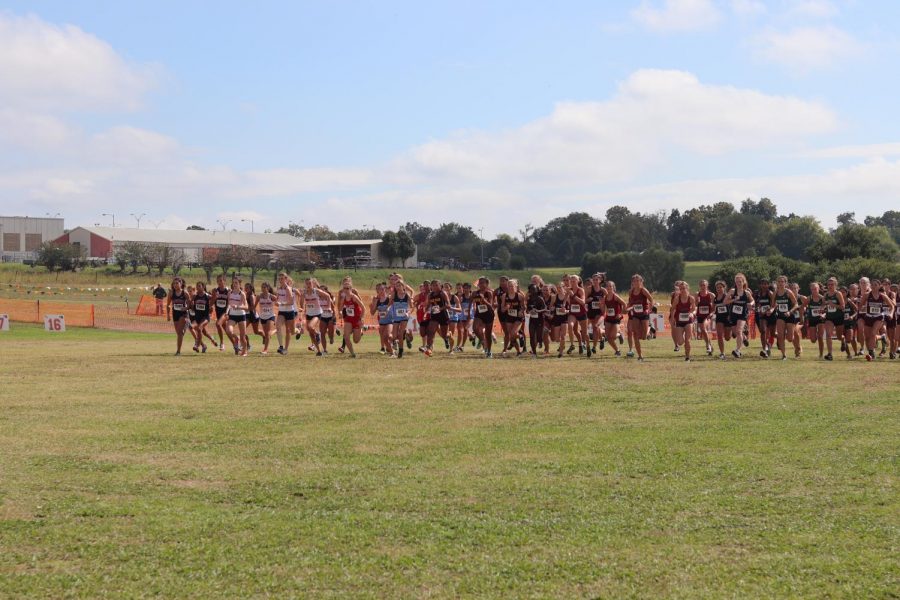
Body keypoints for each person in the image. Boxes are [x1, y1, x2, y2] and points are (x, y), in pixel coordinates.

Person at [859, 277, 895, 361]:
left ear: (879, 286)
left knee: (872, 333)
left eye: (875, 285)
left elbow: (892, 306)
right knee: (867, 337)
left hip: (879, 317)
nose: (873, 286)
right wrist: (862, 308)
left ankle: (871, 353)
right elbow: (860, 305)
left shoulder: (882, 296)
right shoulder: (867, 295)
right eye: (872, 285)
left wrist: (891, 313)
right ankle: (881, 338)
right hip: (868, 317)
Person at [725, 273, 754, 359]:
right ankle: (744, 338)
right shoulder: (732, 291)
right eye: (737, 282)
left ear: (743, 282)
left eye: (740, 282)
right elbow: (725, 301)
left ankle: (738, 350)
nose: (738, 283)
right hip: (733, 314)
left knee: (738, 330)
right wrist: (733, 299)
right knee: (736, 332)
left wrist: (750, 304)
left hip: (742, 314)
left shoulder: (747, 293)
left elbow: (753, 301)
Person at [772, 276, 799, 361]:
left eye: (782, 282)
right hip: (780, 316)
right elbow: (773, 305)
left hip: (790, 316)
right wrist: (771, 310)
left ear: (785, 283)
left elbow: (796, 304)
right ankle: (784, 355)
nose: (780, 283)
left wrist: (790, 312)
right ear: (777, 283)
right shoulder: (775, 293)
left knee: (790, 338)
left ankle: (797, 346)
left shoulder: (788, 292)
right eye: (779, 282)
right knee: (780, 336)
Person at [338, 277, 366, 358]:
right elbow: (340, 308)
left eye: (347, 288)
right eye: (344, 288)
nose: (346, 290)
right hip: (348, 319)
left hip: (357, 319)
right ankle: (352, 353)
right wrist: (340, 312)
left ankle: (360, 331)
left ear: (350, 289)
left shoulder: (354, 297)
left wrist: (361, 319)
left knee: (356, 340)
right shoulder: (343, 298)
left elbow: (364, 308)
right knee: (346, 336)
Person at [626, 274, 652, 361]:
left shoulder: (643, 290)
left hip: (644, 314)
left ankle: (649, 330)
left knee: (643, 337)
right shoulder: (631, 292)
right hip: (636, 315)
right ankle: (640, 355)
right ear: (632, 282)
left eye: (638, 281)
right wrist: (627, 308)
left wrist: (650, 309)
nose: (636, 282)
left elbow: (651, 299)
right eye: (634, 281)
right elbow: (630, 302)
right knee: (635, 334)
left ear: (641, 282)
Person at [275, 273, 301, 356]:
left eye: (282, 278)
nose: (280, 280)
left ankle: (298, 330)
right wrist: (276, 302)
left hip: (290, 312)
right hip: (282, 312)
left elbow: (291, 302)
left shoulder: (288, 289)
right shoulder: (279, 288)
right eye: (279, 279)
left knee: (291, 331)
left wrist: (281, 303)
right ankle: (282, 347)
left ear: (285, 279)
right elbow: (277, 299)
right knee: (278, 326)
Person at [423, 280, 451, 357]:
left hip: (443, 315)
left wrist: (440, 309)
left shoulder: (442, 293)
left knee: (444, 334)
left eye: (436, 285)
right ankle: (429, 349)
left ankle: (447, 337)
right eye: (433, 285)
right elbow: (428, 305)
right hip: (434, 315)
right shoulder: (430, 295)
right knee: (430, 332)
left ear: (440, 286)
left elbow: (448, 305)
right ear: (431, 287)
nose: (434, 287)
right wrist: (425, 312)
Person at [500, 279, 526, 357]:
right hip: (509, 317)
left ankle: (520, 336)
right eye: (509, 286)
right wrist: (506, 308)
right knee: (511, 336)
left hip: (518, 318)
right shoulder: (504, 296)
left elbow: (524, 307)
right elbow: (502, 309)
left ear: (516, 286)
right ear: (507, 287)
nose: (511, 287)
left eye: (512, 286)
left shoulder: (520, 296)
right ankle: (518, 351)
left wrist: (521, 311)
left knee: (513, 333)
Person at [672, 281, 697, 361]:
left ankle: (687, 357)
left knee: (687, 340)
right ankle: (682, 339)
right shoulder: (677, 299)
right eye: (681, 289)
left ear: (687, 288)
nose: (682, 290)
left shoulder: (691, 298)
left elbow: (694, 308)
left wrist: (692, 313)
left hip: (688, 321)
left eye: (684, 288)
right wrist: (672, 318)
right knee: (680, 342)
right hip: (679, 321)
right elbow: (672, 309)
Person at [822, 277, 845, 361]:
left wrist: (833, 305)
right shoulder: (826, 295)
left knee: (839, 337)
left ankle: (843, 340)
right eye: (828, 284)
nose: (830, 286)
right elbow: (824, 304)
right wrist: (822, 309)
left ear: (836, 285)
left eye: (832, 284)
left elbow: (843, 307)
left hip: (839, 317)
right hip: (829, 318)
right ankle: (830, 354)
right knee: (828, 335)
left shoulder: (838, 294)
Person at [471, 277, 495, 358]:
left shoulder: (489, 293)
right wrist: (468, 314)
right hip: (479, 314)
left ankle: (489, 351)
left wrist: (484, 300)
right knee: (475, 328)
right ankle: (482, 340)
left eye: (482, 282)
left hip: (488, 314)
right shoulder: (475, 293)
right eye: (479, 283)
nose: (480, 284)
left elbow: (491, 306)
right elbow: (470, 302)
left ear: (487, 284)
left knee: (488, 334)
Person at [190, 281, 217, 353]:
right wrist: (188, 306)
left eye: (199, 286)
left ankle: (197, 345)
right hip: (197, 318)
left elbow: (214, 300)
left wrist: (211, 306)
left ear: (203, 287)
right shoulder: (195, 296)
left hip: (205, 317)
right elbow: (190, 304)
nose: (197, 287)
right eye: (197, 286)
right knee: (201, 331)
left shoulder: (207, 296)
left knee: (199, 329)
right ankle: (211, 340)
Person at [600, 280, 625, 357]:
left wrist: (620, 314)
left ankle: (619, 334)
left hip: (616, 319)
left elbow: (624, 304)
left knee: (613, 336)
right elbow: (603, 310)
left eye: (610, 286)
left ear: (613, 287)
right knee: (608, 337)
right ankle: (617, 351)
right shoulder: (605, 298)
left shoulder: (616, 296)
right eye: (607, 286)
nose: (609, 287)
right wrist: (601, 305)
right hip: (608, 319)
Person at [226, 276, 249, 356]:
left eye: (236, 283)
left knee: (243, 336)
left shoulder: (242, 294)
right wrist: (226, 312)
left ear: (239, 284)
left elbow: (246, 307)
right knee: (228, 331)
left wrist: (238, 307)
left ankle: (245, 351)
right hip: (232, 315)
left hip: (241, 316)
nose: (234, 284)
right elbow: (229, 304)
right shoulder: (230, 293)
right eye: (234, 282)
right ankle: (236, 338)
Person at [166, 277, 190, 355]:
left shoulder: (185, 293)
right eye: (174, 283)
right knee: (179, 333)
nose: (175, 285)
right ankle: (186, 326)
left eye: (177, 283)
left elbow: (190, 304)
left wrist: (186, 307)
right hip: (175, 314)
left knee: (179, 333)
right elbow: (168, 305)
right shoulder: (171, 293)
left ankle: (178, 351)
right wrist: (168, 315)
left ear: (181, 284)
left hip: (183, 314)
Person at [371, 282, 395, 358]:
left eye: (382, 289)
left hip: (390, 321)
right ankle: (392, 352)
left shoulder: (389, 298)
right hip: (382, 322)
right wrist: (374, 303)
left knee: (386, 336)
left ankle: (395, 343)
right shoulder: (377, 301)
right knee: (384, 339)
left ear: (385, 289)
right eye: (378, 290)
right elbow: (372, 312)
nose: (380, 291)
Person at [586, 273, 606, 356]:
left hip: (600, 312)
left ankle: (594, 347)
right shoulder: (589, 289)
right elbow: (584, 300)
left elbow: (608, 301)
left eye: (596, 280)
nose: (595, 281)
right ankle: (601, 339)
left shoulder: (603, 290)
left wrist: (602, 303)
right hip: (590, 312)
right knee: (595, 328)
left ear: (600, 280)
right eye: (593, 280)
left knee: (595, 327)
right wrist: (588, 300)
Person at [525, 283, 548, 357]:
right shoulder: (529, 299)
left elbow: (545, 309)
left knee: (538, 337)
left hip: (540, 320)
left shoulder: (539, 298)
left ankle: (540, 341)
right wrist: (529, 311)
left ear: (537, 290)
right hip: (532, 320)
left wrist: (538, 311)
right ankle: (534, 353)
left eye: (534, 289)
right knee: (532, 336)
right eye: (531, 289)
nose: (532, 291)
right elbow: (527, 309)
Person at [755, 279, 776, 358]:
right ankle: (764, 349)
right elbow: (757, 304)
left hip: (771, 314)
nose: (764, 286)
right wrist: (758, 308)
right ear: (760, 285)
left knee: (772, 333)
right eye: (762, 284)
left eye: (766, 284)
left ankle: (769, 346)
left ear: (768, 285)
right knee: (763, 331)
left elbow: (775, 304)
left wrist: (770, 310)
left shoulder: (770, 293)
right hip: (762, 315)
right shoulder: (758, 294)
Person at [255, 282, 277, 355]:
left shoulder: (272, 296)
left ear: (268, 288)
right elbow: (254, 306)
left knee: (267, 333)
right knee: (266, 334)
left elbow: (278, 302)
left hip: (270, 316)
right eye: (262, 287)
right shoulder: (259, 296)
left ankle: (265, 349)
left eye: (265, 287)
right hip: (262, 317)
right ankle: (275, 331)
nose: (263, 289)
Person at [210, 274, 230, 351]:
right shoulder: (215, 291)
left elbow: (229, 303)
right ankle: (236, 341)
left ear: (224, 281)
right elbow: (211, 303)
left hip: (225, 313)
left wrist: (227, 312)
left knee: (218, 324)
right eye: (218, 281)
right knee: (227, 330)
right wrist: (214, 297)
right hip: (218, 313)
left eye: (221, 280)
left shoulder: (228, 291)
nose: (219, 282)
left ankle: (222, 343)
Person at [713, 280, 731, 360]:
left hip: (727, 318)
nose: (719, 289)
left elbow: (731, 307)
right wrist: (711, 314)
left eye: (720, 287)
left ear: (724, 288)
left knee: (727, 338)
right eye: (717, 288)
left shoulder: (727, 296)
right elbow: (713, 308)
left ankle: (740, 334)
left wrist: (730, 316)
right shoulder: (715, 298)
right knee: (719, 335)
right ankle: (722, 353)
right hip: (719, 318)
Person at [695, 279, 714, 356]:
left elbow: (714, 307)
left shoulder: (711, 295)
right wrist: (697, 301)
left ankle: (708, 346)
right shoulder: (697, 294)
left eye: (704, 285)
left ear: (707, 285)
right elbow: (695, 305)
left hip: (708, 316)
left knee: (703, 328)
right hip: (699, 315)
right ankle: (709, 345)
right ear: (699, 286)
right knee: (703, 330)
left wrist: (712, 313)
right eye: (701, 285)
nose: (703, 287)